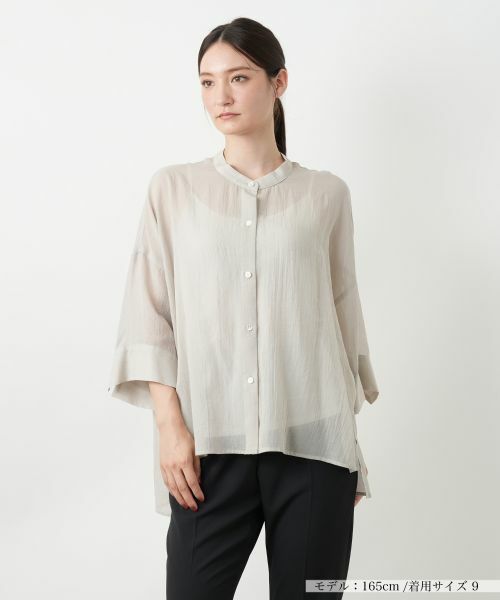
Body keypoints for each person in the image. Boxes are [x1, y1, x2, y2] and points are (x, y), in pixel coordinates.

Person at [107, 16, 380, 600]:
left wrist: (348, 446)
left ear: (279, 82)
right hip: (210, 445)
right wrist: (170, 428)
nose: (220, 97)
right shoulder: (172, 190)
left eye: (238, 78)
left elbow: (340, 317)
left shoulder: (327, 195)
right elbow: (149, 313)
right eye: (207, 82)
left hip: (314, 447)